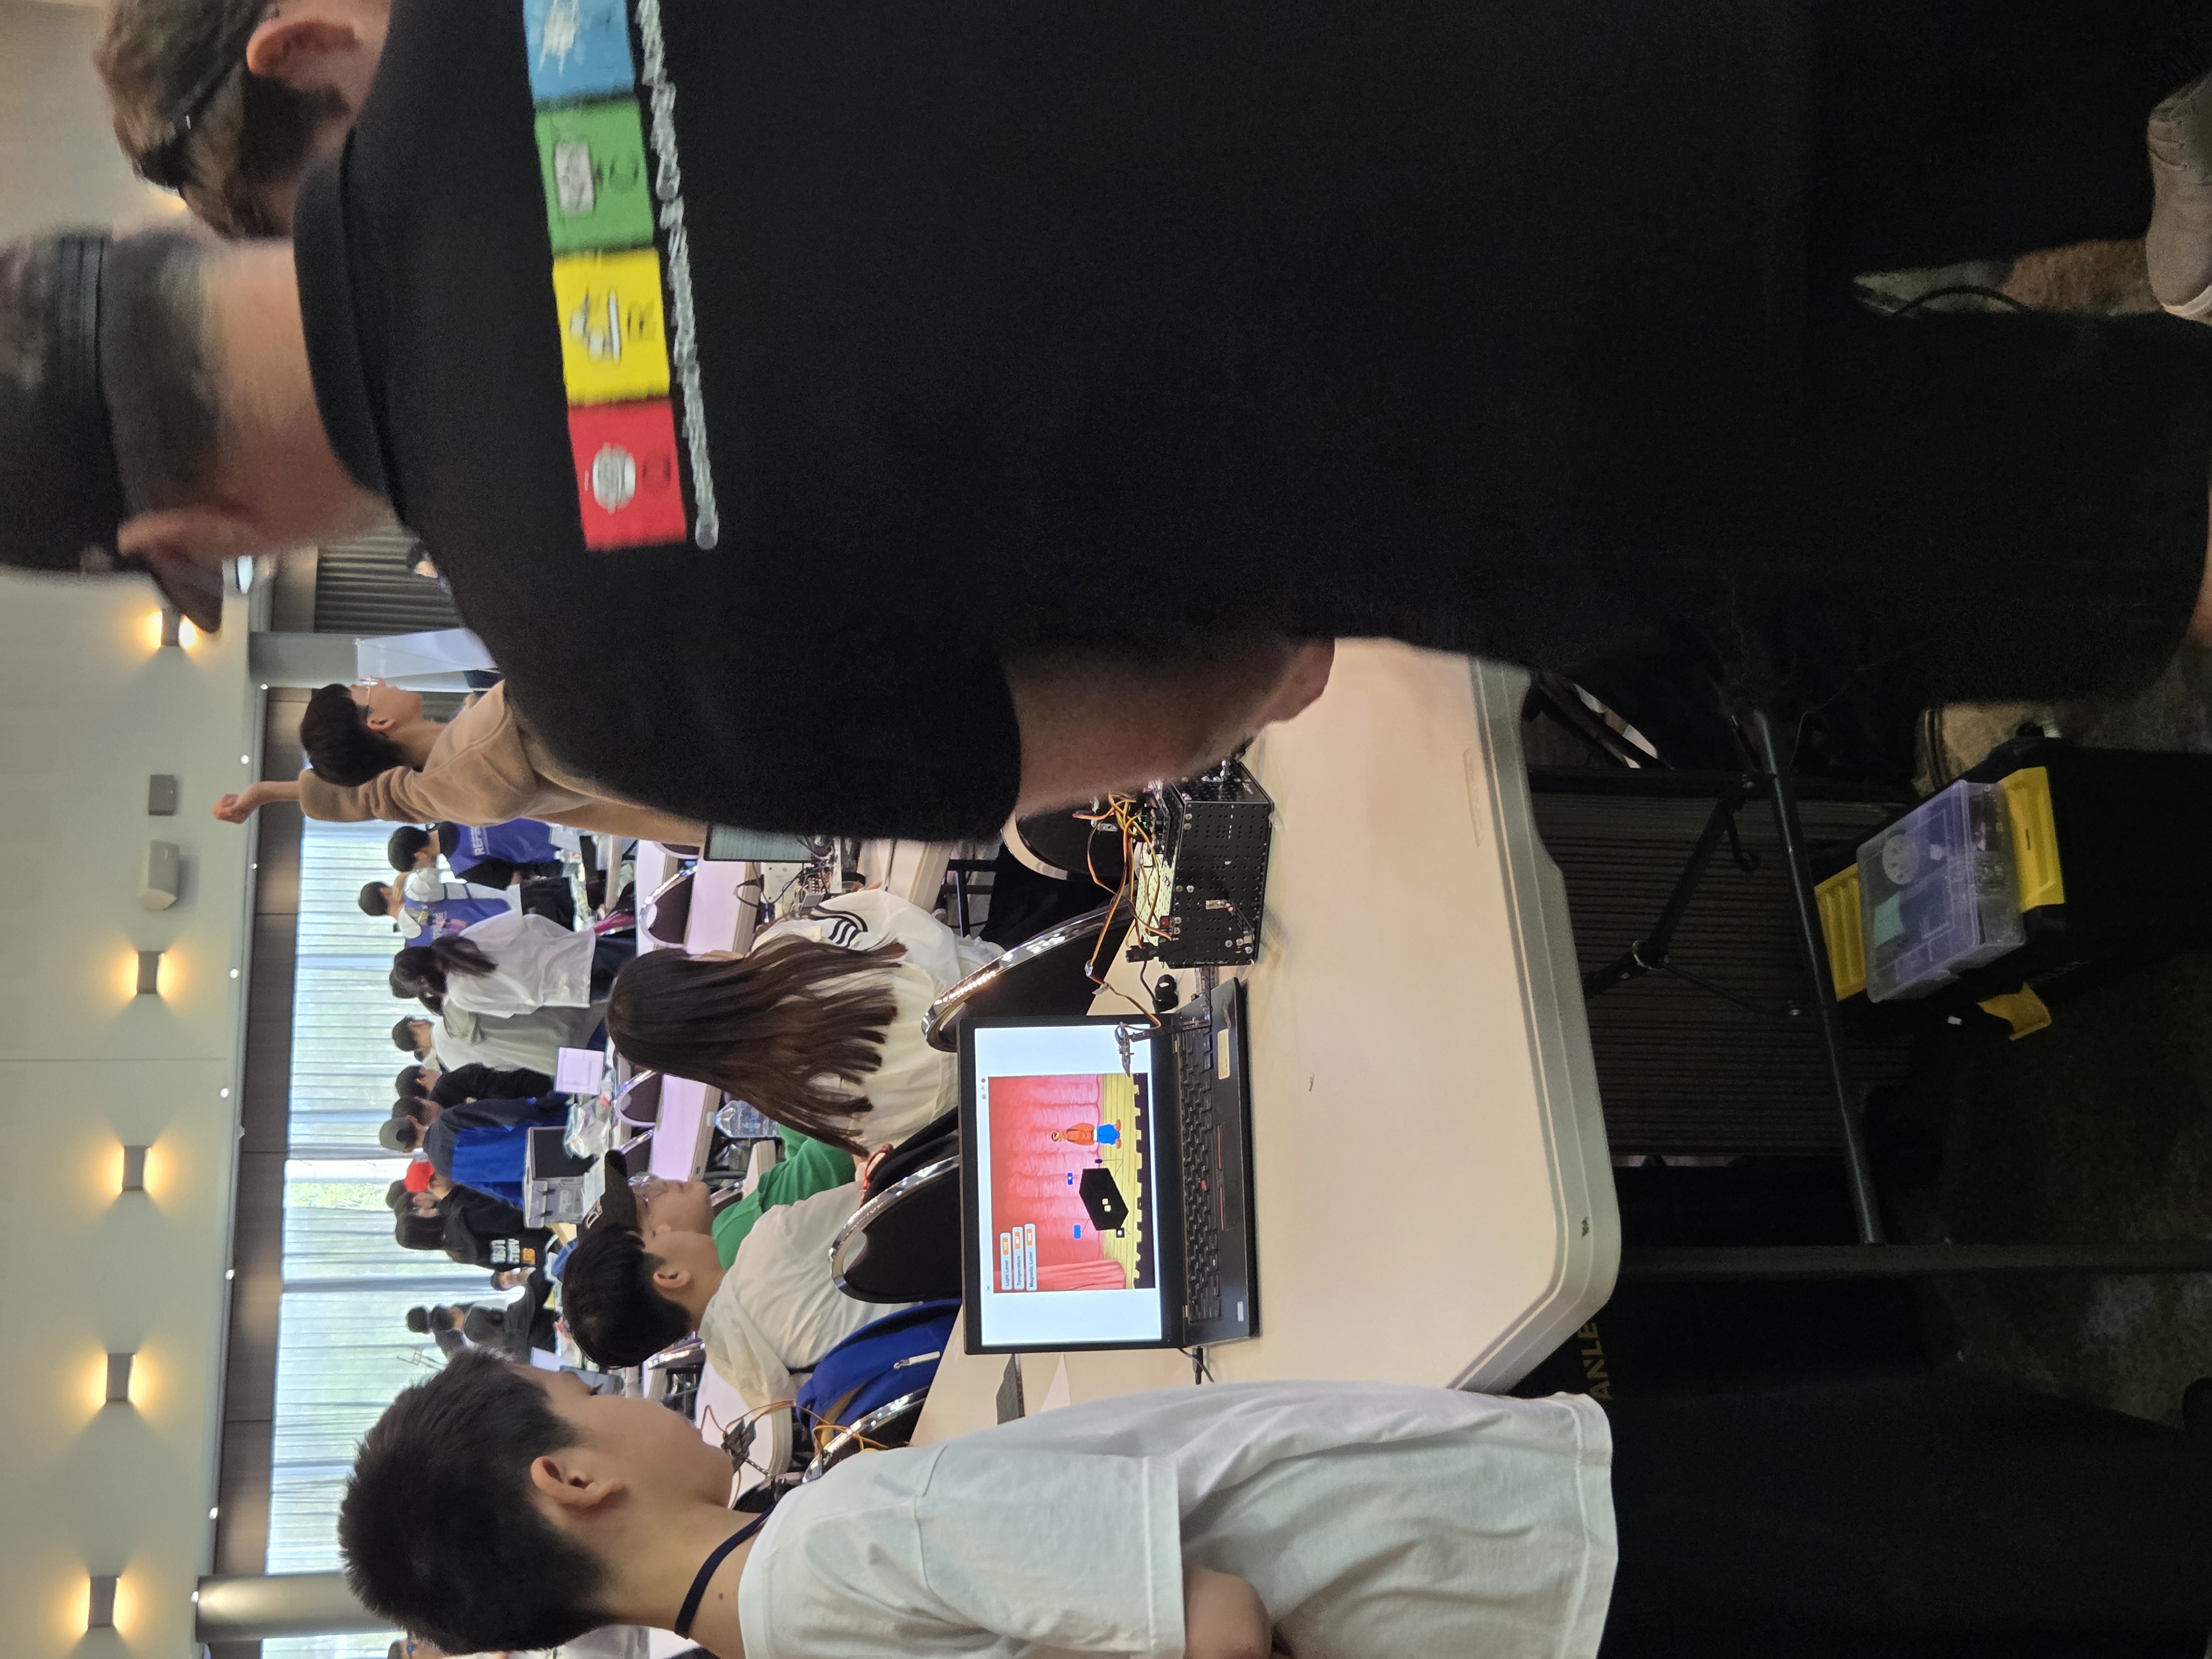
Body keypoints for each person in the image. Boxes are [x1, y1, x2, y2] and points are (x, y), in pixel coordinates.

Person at [52, 0, 2212, 839]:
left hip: (1564, 466)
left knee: (2140, 514)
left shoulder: (619, 683)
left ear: (178, 550)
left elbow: (1191, 706)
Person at [340, 1353, 2212, 1659]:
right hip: (1518, 1554)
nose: (633, 1401)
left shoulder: (792, 1615)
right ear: (569, 1480)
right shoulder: (836, 1546)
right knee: (1997, 1499)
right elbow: (1210, 1622)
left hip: (1513, 1602)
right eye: (590, 1401)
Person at [560, 1169, 896, 1477]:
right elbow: (888, 1184)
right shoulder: (772, 1242)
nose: (665, 1228)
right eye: (652, 1236)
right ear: (671, 1276)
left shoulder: (735, 1367)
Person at [607, 890, 995, 1153]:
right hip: (1010, 997)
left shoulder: (787, 1102)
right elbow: (917, 926)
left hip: (996, 1114)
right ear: (697, 982)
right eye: (690, 960)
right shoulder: (785, 951)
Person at [211, 681, 701, 845]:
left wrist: (267, 792)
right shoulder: (502, 725)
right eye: (363, 688)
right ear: (379, 722)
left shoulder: (439, 790)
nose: (376, 679)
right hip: (703, 750)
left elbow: (370, 794)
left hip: (698, 807)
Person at [631, 1131, 859, 1268]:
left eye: (642, 1184)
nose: (658, 1184)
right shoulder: (730, 1241)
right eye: (645, 1199)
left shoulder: (717, 1232)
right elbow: (836, 1151)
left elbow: (805, 1164)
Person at [392, 913, 633, 1020]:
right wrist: (567, 939)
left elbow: (521, 1009)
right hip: (579, 952)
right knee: (655, 954)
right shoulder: (465, 940)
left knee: (644, 989)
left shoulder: (461, 997)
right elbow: (529, 921)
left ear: (422, 982)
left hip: (572, 990)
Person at [393, 820, 566, 892]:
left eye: (416, 868)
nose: (420, 870)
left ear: (420, 855)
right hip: (551, 816)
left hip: (558, 855)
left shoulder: (463, 866)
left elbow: (514, 879)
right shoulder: (450, 811)